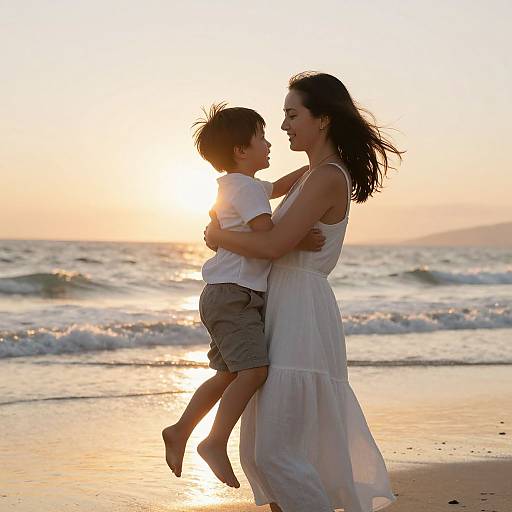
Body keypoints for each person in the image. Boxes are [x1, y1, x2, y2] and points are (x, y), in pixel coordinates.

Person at [204, 73, 403, 512]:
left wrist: (217, 235)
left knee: (276, 453)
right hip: (281, 308)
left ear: (323, 119)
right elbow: (265, 212)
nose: (284, 126)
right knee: (270, 451)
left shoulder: (327, 178)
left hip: (300, 315)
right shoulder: (312, 175)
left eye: (293, 115)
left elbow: (272, 245)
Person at [162, 103, 325, 489]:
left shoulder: (237, 185)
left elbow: (281, 188)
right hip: (235, 296)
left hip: (223, 295)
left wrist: (314, 168)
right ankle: (214, 441)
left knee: (227, 373)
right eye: (262, 138)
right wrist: (301, 237)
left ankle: (180, 430)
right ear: (241, 150)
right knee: (254, 371)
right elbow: (268, 235)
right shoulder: (247, 189)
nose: (270, 144)